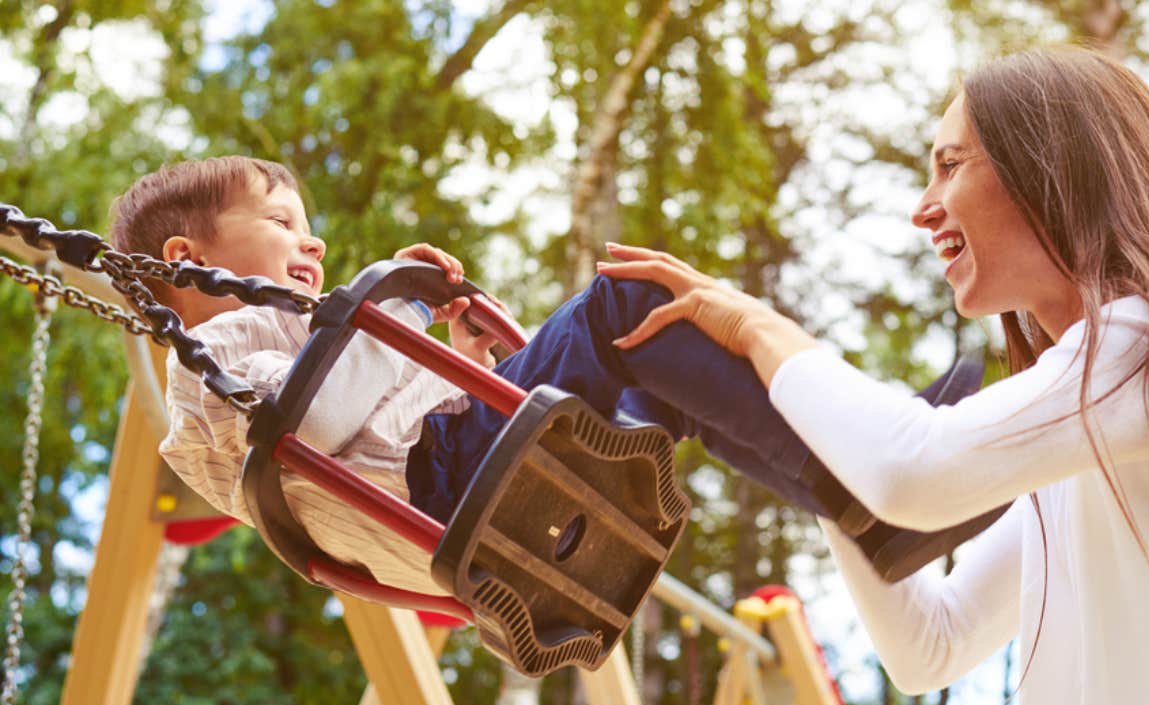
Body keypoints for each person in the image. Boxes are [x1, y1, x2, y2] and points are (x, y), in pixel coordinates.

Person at [597, 46, 1149, 705]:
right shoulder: (1097, 434)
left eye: (950, 165)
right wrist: (812, 455)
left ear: (1051, 171)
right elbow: (932, 642)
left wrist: (759, 326)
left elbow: (913, 472)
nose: (924, 207)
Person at [110, 155, 980, 598]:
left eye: (309, 225)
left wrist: (469, 356)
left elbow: (376, 416)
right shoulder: (215, 350)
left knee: (666, 371)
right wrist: (397, 310)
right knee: (627, 304)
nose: (314, 243)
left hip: (451, 481)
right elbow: (313, 423)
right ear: (189, 259)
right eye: (280, 220)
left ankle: (864, 502)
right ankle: (875, 459)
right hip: (447, 484)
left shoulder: (290, 333)